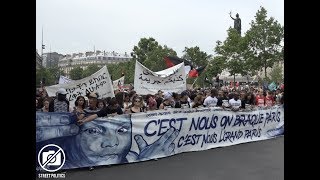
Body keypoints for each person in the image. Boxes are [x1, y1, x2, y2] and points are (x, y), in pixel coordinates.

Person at [36, 112, 179, 170]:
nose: (112, 143)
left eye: (122, 130)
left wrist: (146, 157)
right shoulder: (48, 160)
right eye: (93, 131)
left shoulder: (132, 156)